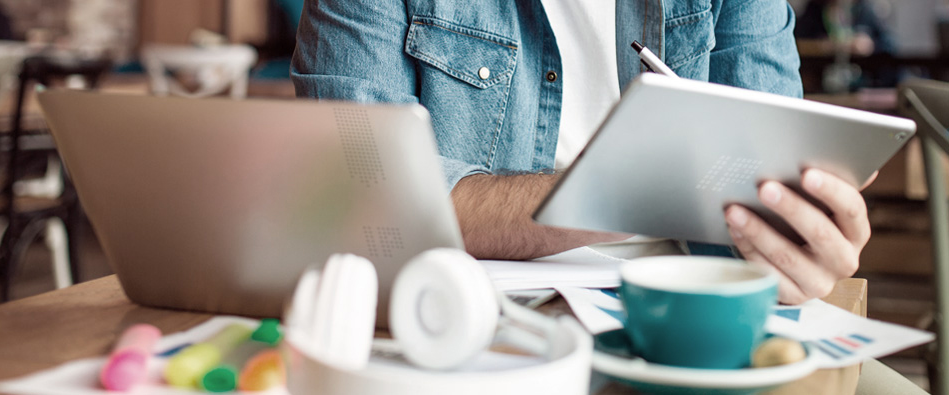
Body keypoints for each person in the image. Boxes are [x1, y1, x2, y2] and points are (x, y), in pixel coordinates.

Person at [291, 0, 872, 305]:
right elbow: (361, 194)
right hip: (466, 324)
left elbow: (771, 171)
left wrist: (797, 242)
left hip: (697, 308)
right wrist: (640, 182)